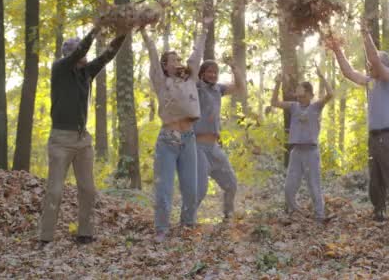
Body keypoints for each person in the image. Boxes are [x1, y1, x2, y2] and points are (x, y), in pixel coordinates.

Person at [323, 29, 389, 235]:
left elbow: (374, 59)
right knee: (375, 182)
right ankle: (379, 213)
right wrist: (337, 50)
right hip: (375, 139)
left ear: (383, 65)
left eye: (373, 63)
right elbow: (349, 73)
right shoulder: (372, 82)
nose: (369, 66)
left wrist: (366, 35)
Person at [39, 25, 129, 246]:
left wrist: (123, 31)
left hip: (82, 140)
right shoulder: (60, 68)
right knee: (55, 190)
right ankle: (45, 237)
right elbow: (81, 50)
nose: (83, 56)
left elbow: (107, 56)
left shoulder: (86, 73)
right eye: (77, 52)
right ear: (68, 54)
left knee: (88, 189)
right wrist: (97, 28)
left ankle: (85, 233)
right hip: (60, 140)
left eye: (83, 54)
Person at [140, 18, 211, 243]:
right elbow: (152, 56)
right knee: (165, 188)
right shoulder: (162, 82)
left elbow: (197, 54)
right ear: (165, 66)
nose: (178, 62)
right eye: (173, 60)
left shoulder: (190, 78)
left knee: (191, 187)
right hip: (168, 140)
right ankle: (162, 228)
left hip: (189, 139)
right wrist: (145, 34)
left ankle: (188, 223)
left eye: (179, 59)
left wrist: (205, 27)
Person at [270, 65, 333, 223]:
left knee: (314, 185)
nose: (299, 97)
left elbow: (330, 94)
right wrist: (278, 83)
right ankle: (296, 211)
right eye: (298, 95)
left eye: (303, 95)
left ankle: (319, 216)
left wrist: (322, 77)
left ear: (310, 95)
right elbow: (274, 102)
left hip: (311, 152)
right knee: (289, 188)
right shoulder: (293, 106)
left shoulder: (316, 106)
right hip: (296, 151)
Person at [195, 57, 245, 220]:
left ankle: (228, 215)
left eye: (215, 72)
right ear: (202, 73)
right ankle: (187, 219)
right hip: (198, 147)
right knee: (200, 189)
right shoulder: (196, 87)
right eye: (209, 71)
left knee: (231, 184)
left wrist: (234, 68)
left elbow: (239, 87)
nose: (213, 75)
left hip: (214, 147)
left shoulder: (218, 89)